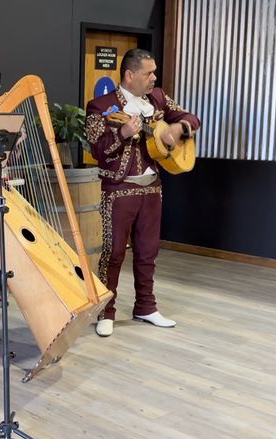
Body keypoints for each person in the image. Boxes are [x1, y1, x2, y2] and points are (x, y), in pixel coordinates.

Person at [84, 48, 201, 337]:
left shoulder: (158, 98)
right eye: (149, 73)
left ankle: (146, 307)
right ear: (129, 74)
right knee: (112, 253)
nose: (154, 78)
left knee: (148, 251)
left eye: (154, 72)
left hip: (152, 187)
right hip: (119, 189)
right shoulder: (101, 106)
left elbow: (191, 117)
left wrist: (177, 128)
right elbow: (98, 149)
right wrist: (122, 134)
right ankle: (106, 311)